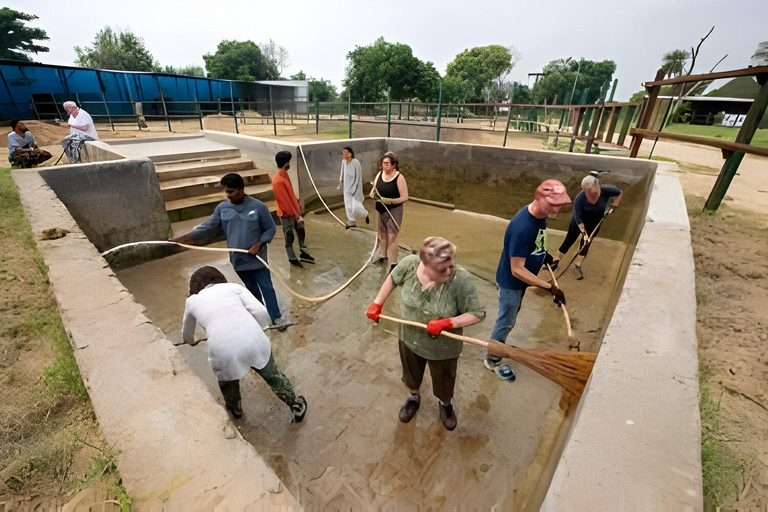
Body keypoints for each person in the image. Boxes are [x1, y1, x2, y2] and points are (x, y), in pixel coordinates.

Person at [367, 237, 485, 431]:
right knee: (411, 372)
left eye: (450, 266)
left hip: (443, 348)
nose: (449, 272)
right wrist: (377, 302)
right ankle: (414, 395)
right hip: (409, 338)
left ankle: (445, 404)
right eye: (442, 270)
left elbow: (477, 313)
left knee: (444, 379)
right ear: (425, 263)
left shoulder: (461, 280)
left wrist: (448, 322)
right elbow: (393, 278)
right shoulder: (409, 265)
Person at [175, 266, 307, 421]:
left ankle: (235, 408)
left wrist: (190, 342)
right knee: (273, 375)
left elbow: (187, 334)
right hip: (254, 339)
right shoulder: (234, 287)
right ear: (219, 278)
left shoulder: (192, 301)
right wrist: (260, 328)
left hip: (222, 349)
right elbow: (261, 312)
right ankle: (295, 404)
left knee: (227, 381)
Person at [170, 173, 289, 329]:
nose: (228, 195)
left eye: (231, 191)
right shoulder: (222, 208)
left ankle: (277, 318)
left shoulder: (258, 207)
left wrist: (260, 244)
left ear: (241, 189)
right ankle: (261, 317)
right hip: (238, 261)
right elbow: (207, 227)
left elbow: (270, 229)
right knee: (251, 290)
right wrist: (183, 238)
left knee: (267, 287)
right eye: (227, 192)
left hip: (257, 259)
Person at [485, 179, 571, 373]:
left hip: (519, 283)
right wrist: (549, 287)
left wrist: (543, 255)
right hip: (511, 283)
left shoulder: (539, 214)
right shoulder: (523, 227)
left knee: (511, 316)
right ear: (538, 198)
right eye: (553, 206)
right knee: (506, 319)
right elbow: (517, 269)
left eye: (558, 205)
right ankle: (493, 356)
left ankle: (499, 344)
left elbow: (536, 241)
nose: (556, 211)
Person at [553, 174, 622, 280]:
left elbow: (619, 192)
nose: (590, 194)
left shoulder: (606, 191)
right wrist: (582, 230)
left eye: (592, 191)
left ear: (598, 186)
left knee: (586, 244)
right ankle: (556, 260)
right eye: (587, 191)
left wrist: (615, 203)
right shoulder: (580, 197)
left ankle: (577, 265)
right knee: (570, 239)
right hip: (578, 222)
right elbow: (577, 214)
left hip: (594, 223)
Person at [271, 150, 315, 268]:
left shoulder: (284, 174)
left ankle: (303, 252)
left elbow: (290, 195)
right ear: (286, 163)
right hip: (287, 214)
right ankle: (292, 257)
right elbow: (284, 202)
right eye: (288, 161)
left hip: (294, 212)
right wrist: (296, 215)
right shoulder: (277, 180)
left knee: (301, 232)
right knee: (289, 236)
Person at [369, 152, 408, 272]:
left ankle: (394, 263)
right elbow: (374, 188)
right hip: (381, 209)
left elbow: (405, 197)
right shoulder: (379, 174)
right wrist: (372, 193)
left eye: (387, 164)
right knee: (383, 235)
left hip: (394, 210)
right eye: (383, 163)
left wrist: (392, 201)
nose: (384, 166)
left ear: (394, 165)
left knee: (392, 236)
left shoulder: (399, 177)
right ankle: (384, 256)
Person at [338, 146, 368, 228]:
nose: (346, 155)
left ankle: (365, 214)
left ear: (351, 154)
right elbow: (342, 172)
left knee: (356, 205)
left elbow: (358, 176)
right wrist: (340, 181)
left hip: (354, 188)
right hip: (346, 188)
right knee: (348, 205)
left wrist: (355, 188)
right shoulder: (343, 162)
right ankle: (351, 221)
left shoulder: (356, 162)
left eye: (348, 153)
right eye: (344, 153)